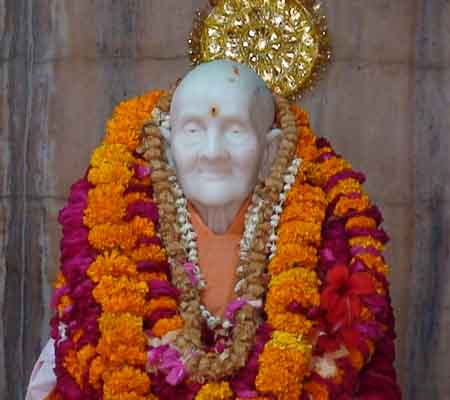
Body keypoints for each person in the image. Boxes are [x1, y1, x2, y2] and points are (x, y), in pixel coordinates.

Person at [27, 60, 401, 399]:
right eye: (193, 129)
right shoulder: (115, 231)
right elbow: (79, 353)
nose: (212, 152)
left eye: (234, 130)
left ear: (271, 151)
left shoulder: (329, 245)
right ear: (167, 146)